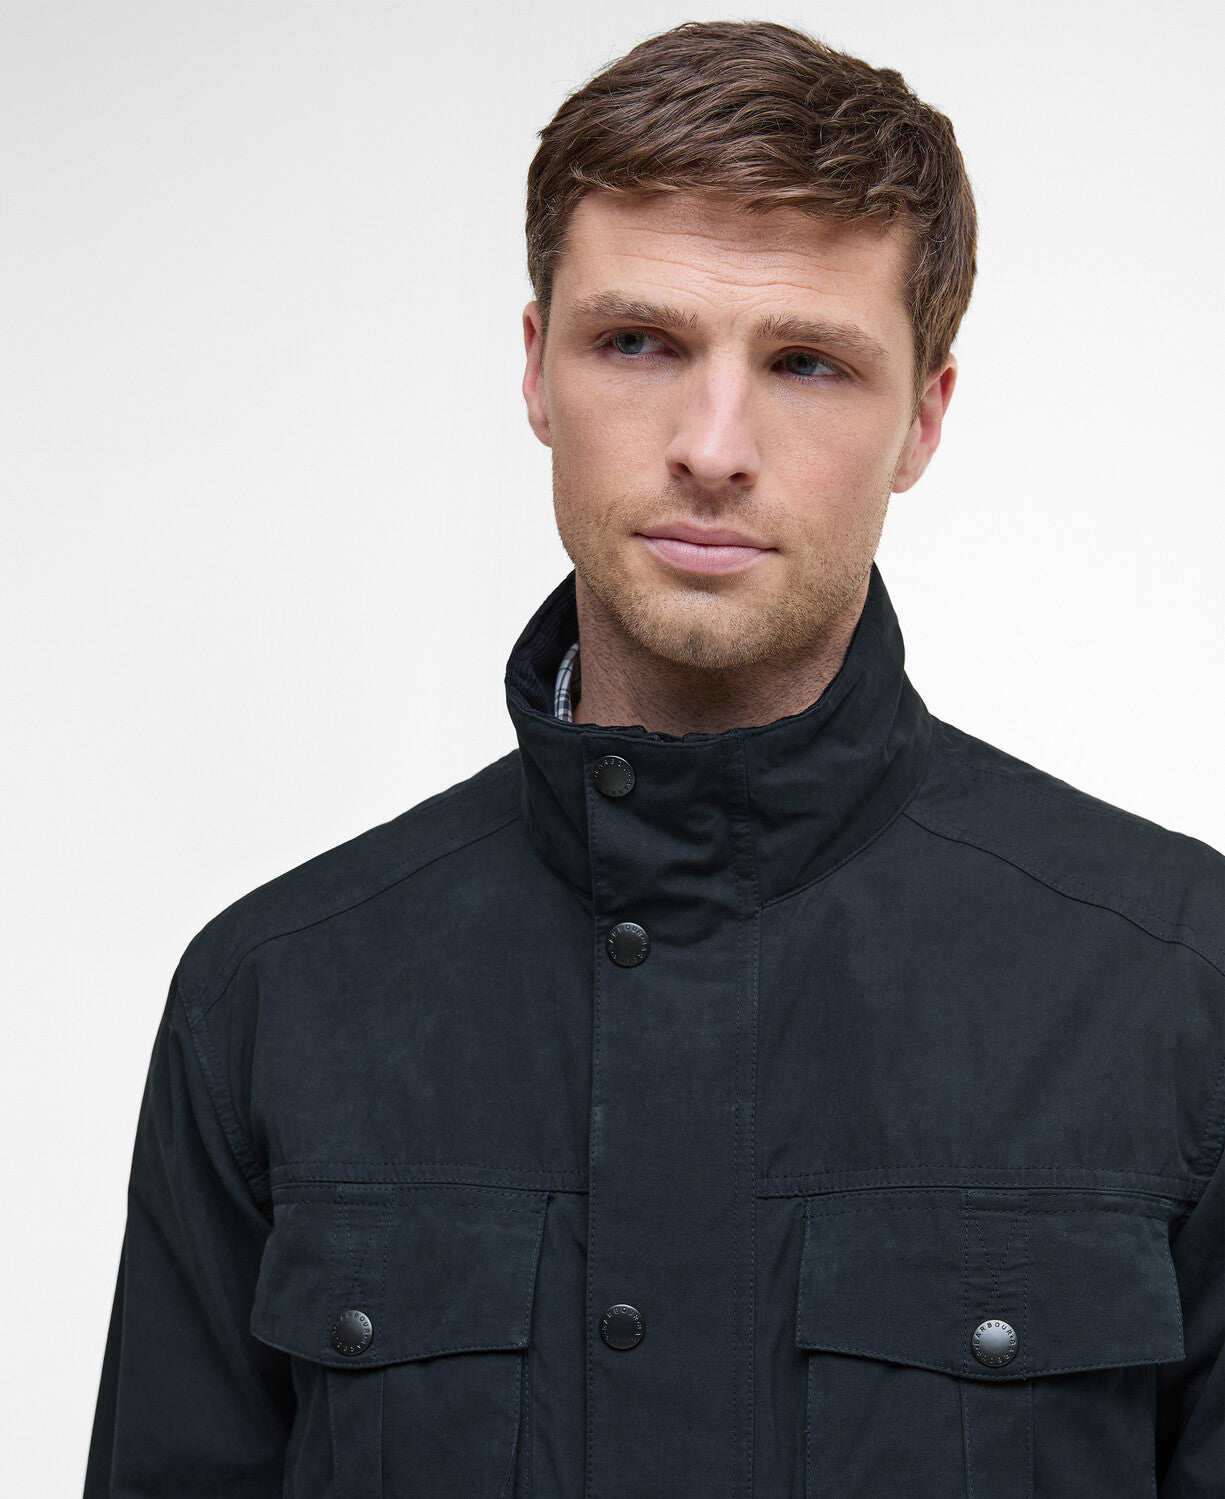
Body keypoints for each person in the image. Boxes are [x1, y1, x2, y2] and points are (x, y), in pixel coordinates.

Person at [85, 19, 1222, 1498]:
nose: (712, 444)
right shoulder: (270, 998)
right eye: (638, 343)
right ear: (535, 371)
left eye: (807, 362)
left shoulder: (1180, 989)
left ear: (922, 420)